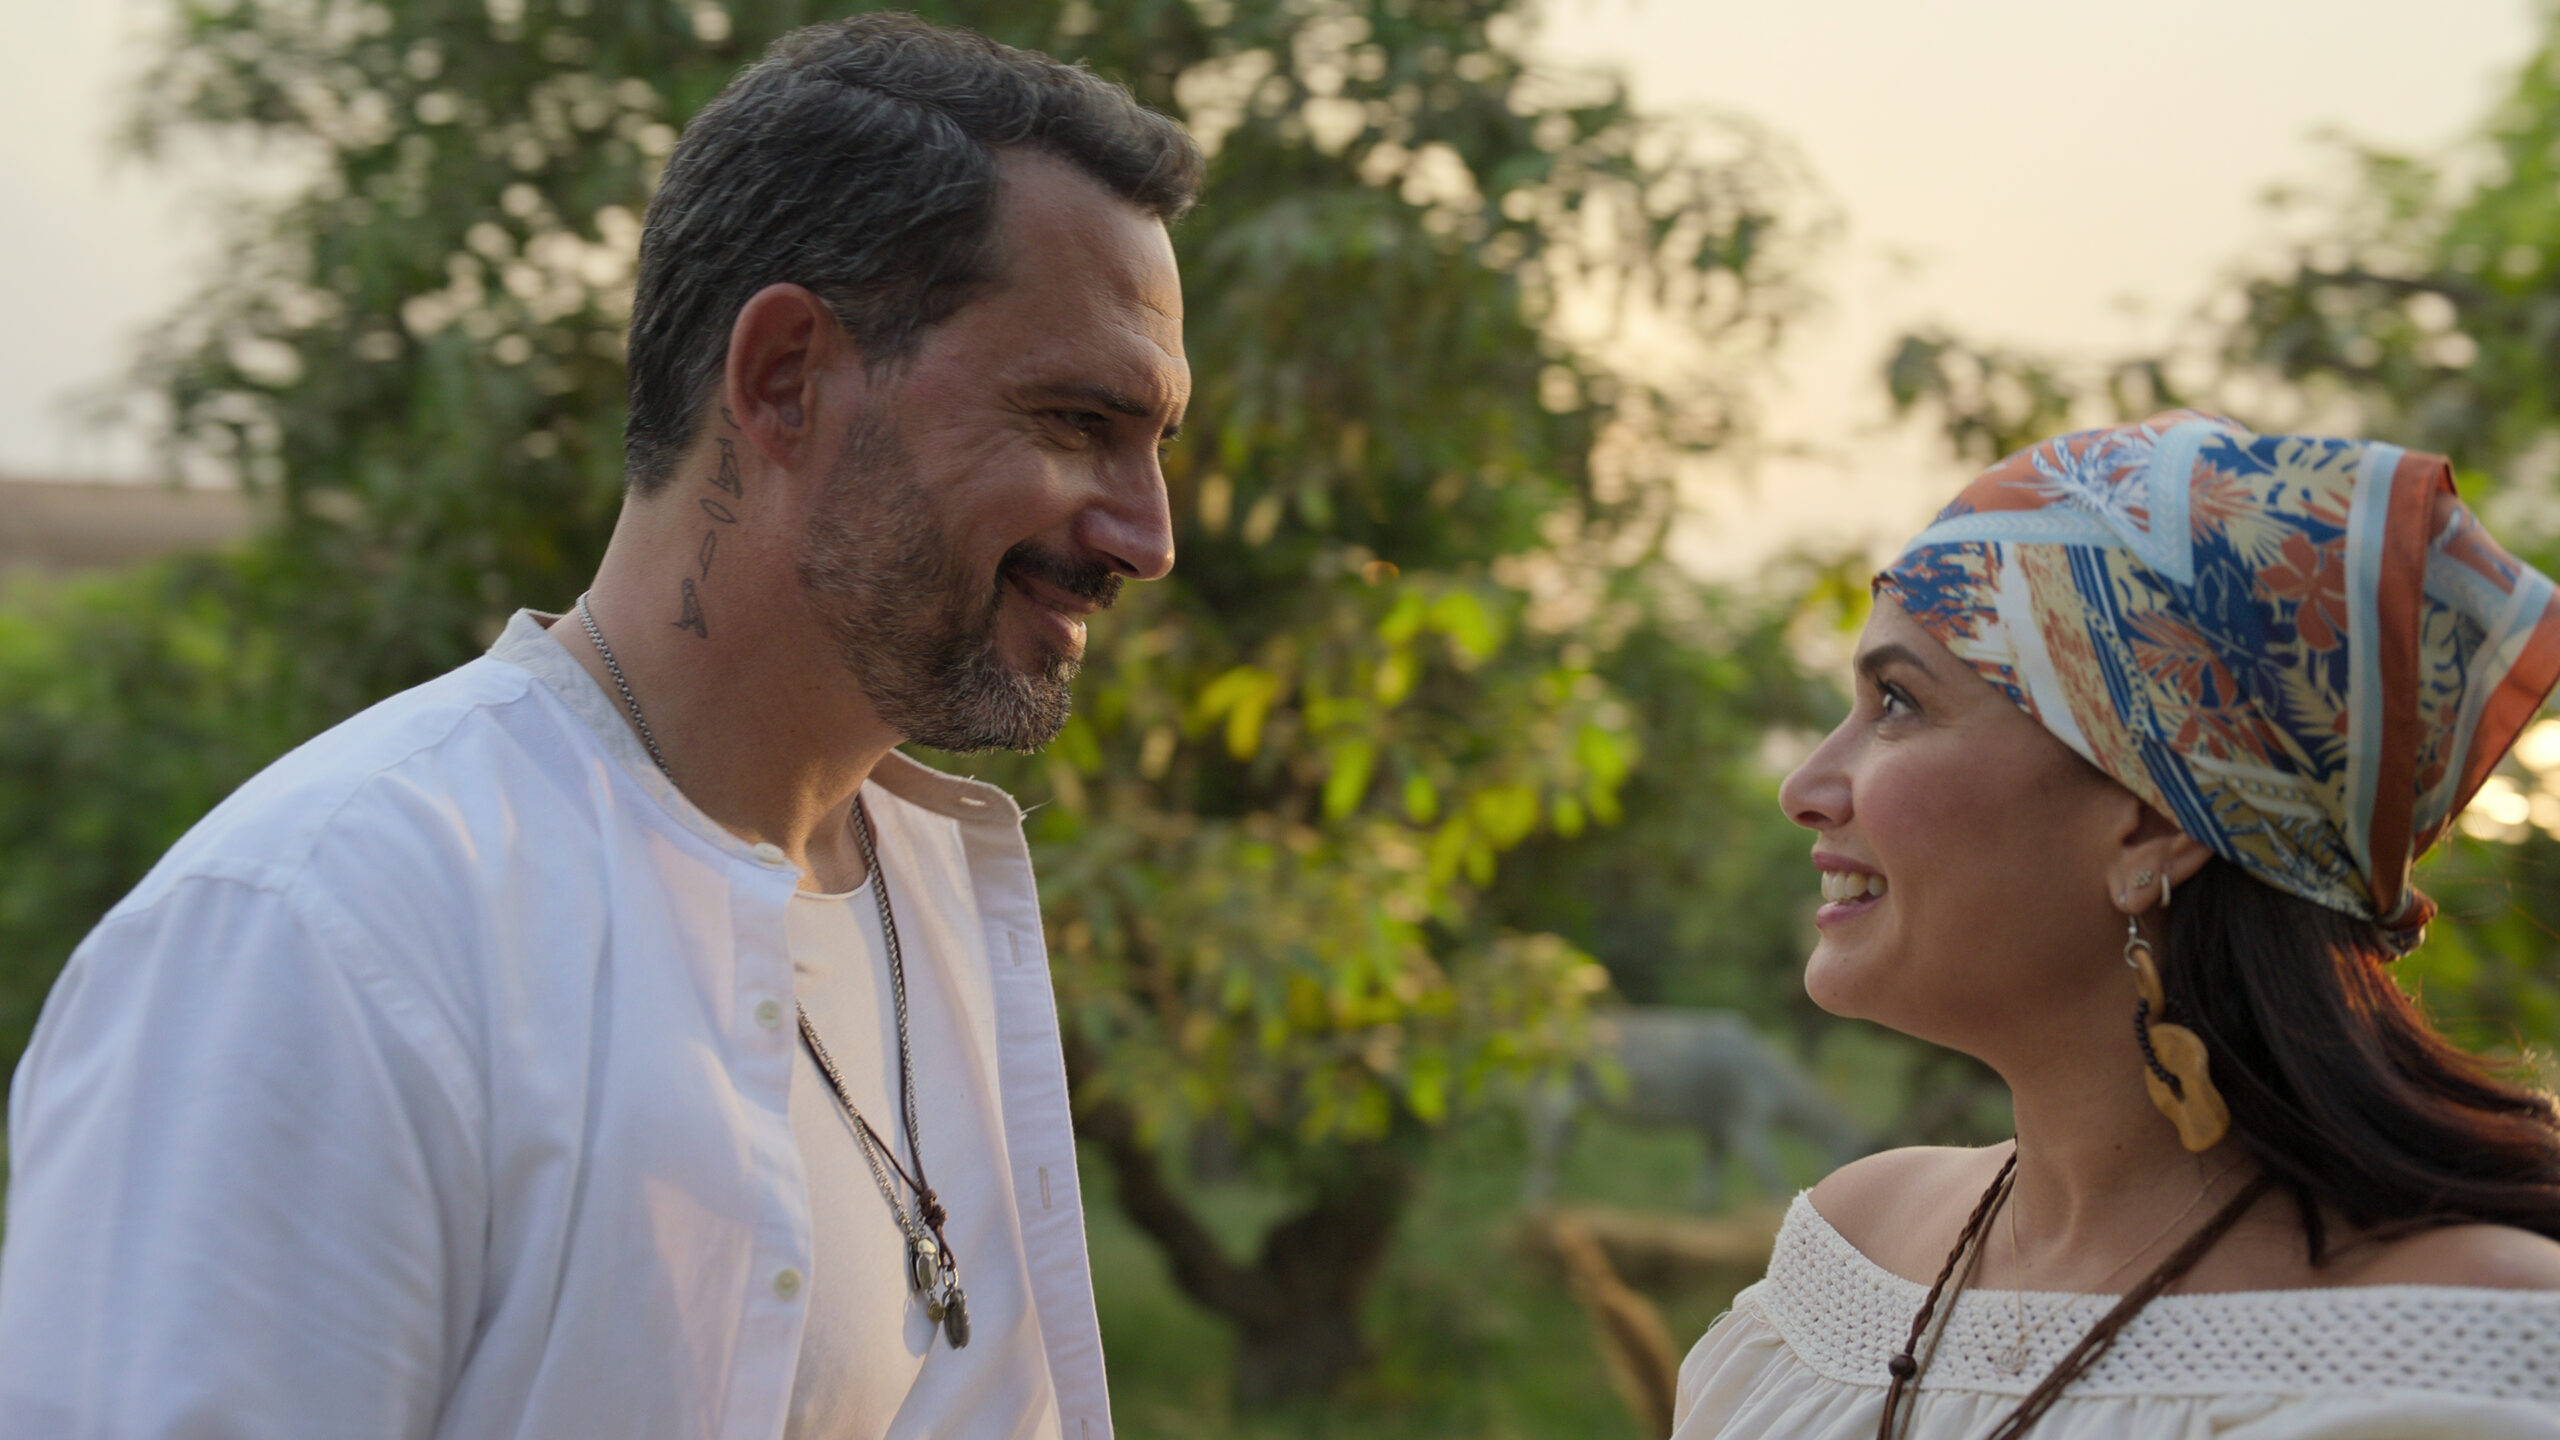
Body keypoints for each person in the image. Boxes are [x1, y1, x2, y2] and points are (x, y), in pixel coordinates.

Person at [0, 15, 1198, 1439]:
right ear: (785, 378)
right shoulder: (323, 936)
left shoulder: (933, 905)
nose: (1148, 538)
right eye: (1075, 423)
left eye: (1157, 446)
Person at [1675, 411, 2560, 1438]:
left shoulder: (2454, 1360)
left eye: (1898, 703)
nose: (1804, 787)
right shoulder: (1847, 1261)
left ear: (2150, 824)